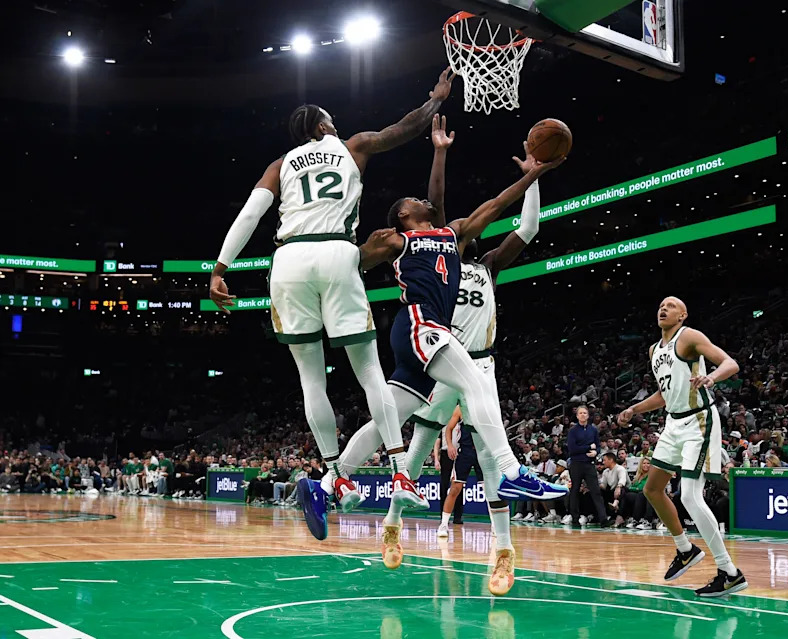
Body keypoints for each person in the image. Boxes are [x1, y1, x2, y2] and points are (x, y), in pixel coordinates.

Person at [209, 69, 460, 536]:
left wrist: (220, 268)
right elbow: (403, 129)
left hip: (287, 260)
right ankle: (400, 470)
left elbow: (250, 213)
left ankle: (334, 474)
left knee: (310, 377)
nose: (336, 123)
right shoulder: (352, 146)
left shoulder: (279, 164)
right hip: (336, 252)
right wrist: (434, 100)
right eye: (331, 119)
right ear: (322, 127)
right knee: (367, 371)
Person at [321, 121, 567, 587]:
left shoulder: (483, 259)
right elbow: (434, 207)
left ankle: (503, 551)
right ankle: (391, 524)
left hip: (474, 356)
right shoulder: (426, 238)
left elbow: (507, 213)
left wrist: (535, 174)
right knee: (411, 447)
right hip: (434, 347)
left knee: (478, 455)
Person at [618, 297, 747, 597]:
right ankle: (685, 549)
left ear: (683, 314)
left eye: (671, 305)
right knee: (651, 489)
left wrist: (711, 377)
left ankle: (730, 572)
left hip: (698, 421)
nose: (663, 308)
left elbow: (730, 363)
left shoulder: (688, 336)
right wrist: (634, 409)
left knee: (689, 494)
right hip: (673, 424)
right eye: (660, 304)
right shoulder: (653, 350)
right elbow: (664, 395)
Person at [437, 407, 486, 538]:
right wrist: (450, 445)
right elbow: (449, 428)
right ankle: (443, 525)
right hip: (465, 451)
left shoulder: (485, 404)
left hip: (482, 451)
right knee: (455, 488)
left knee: (489, 490)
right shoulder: (461, 408)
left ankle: (496, 526)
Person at [565, 405, 609, 527]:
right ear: (577, 415)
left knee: (596, 491)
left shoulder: (593, 430)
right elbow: (572, 449)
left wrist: (596, 452)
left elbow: (598, 446)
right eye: (581, 413)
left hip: (589, 464)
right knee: (575, 490)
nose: (583, 415)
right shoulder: (573, 431)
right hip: (576, 464)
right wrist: (589, 448)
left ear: (588, 415)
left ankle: (603, 518)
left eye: (585, 413)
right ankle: (575, 518)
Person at [599, 452, 629, 527]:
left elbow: (622, 481)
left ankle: (616, 504)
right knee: (598, 492)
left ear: (611, 460)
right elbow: (603, 485)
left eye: (604, 460)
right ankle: (600, 516)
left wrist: (618, 487)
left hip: (624, 490)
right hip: (612, 490)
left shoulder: (620, 468)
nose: (603, 462)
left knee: (621, 489)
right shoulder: (606, 471)